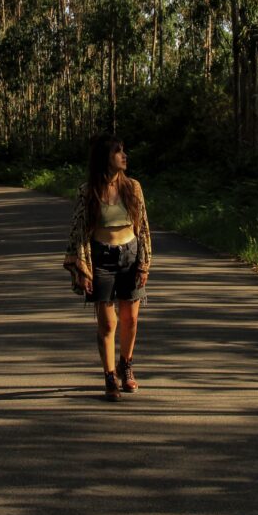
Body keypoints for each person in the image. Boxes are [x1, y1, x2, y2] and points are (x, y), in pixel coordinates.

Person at [64, 133, 151, 401]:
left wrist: (144, 262)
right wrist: (82, 268)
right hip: (101, 258)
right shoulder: (87, 191)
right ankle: (109, 376)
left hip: (130, 255)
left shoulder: (133, 187)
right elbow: (79, 231)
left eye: (124, 151)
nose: (124, 156)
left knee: (131, 319)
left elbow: (143, 226)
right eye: (118, 152)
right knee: (108, 323)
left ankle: (126, 365)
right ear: (105, 157)